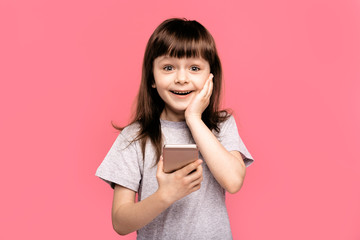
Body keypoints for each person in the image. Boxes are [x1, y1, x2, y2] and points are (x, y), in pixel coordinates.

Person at [95, 18, 254, 239]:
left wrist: (194, 119)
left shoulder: (221, 126)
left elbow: (234, 181)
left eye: (194, 68)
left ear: (211, 76)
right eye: (168, 67)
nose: (181, 78)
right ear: (152, 77)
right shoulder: (134, 137)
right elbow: (120, 222)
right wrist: (165, 195)